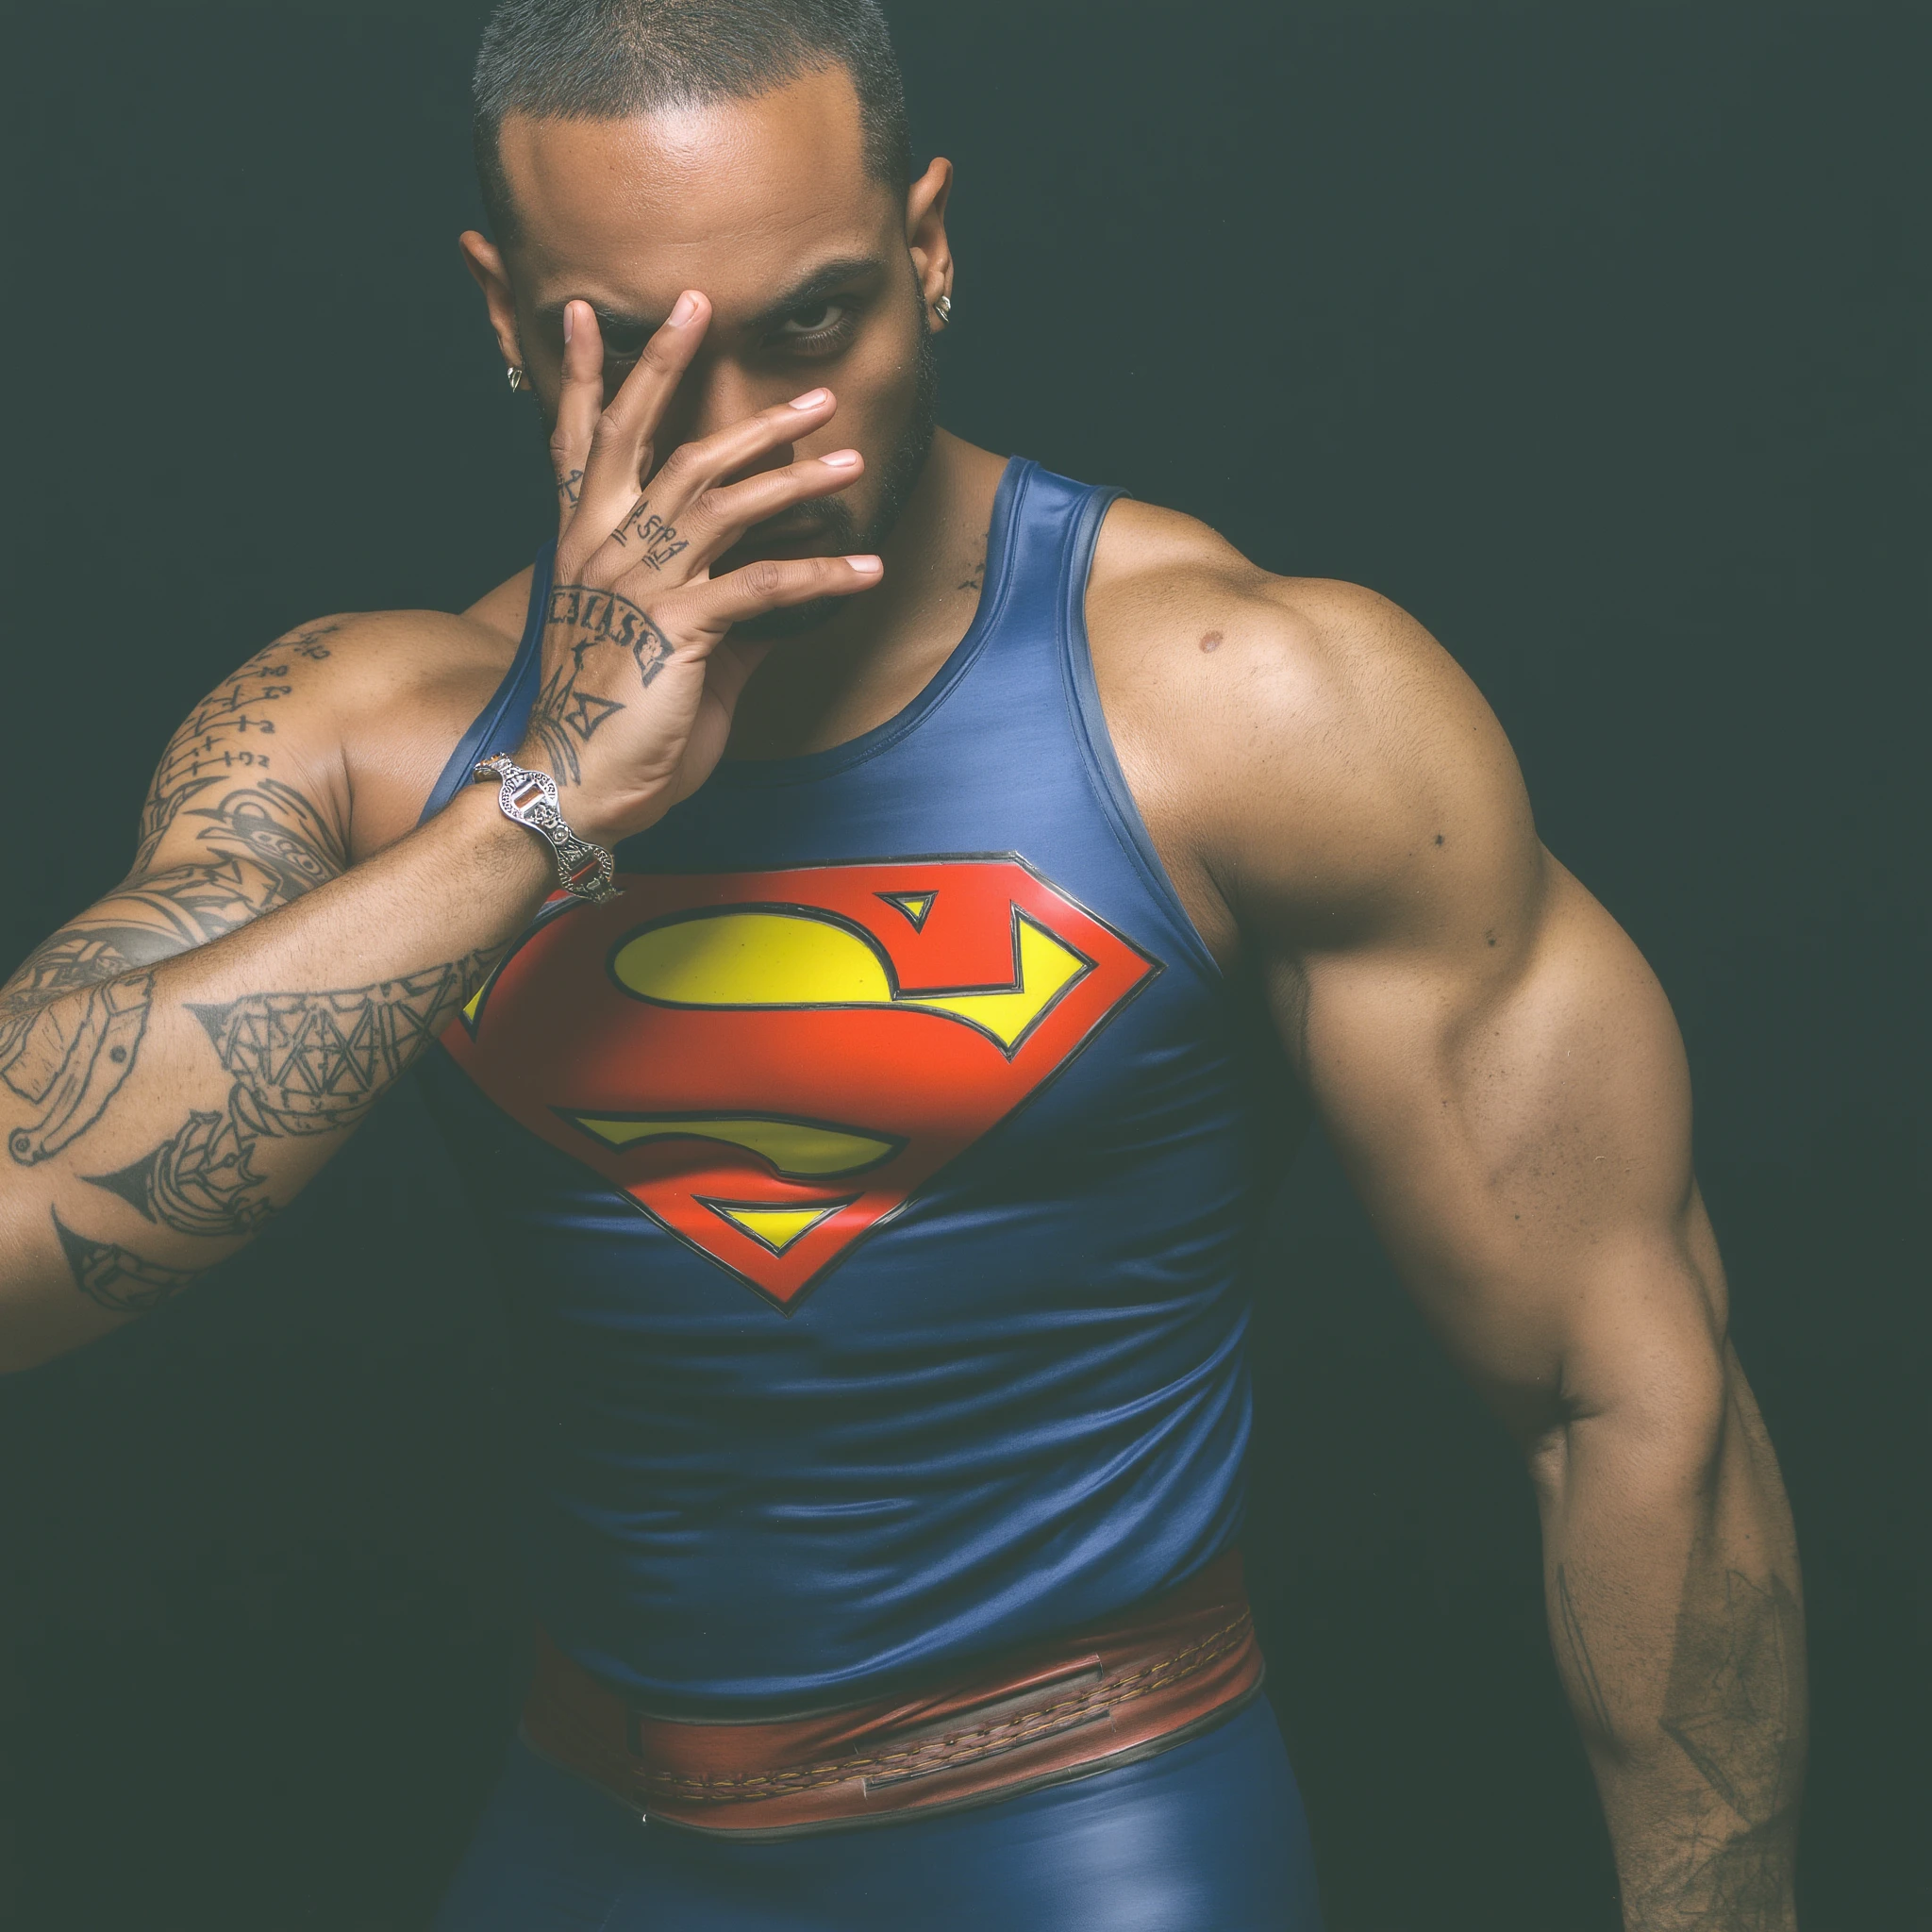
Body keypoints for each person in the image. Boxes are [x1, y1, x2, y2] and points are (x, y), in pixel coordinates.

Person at [0, 2, 1806, 1926]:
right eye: (636, 351)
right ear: (512, 317)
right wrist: (531, 813)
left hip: (1089, 1838)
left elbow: (1621, 1393)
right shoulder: (369, 737)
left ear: (928, 253)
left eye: (813, 324)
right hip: (586, 1841)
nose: (753, 439)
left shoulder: (1243, 706)